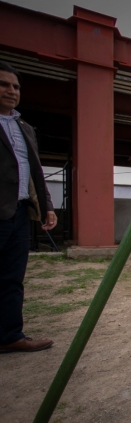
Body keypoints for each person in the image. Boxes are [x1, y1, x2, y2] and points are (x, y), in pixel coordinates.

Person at [0, 61, 56, 353]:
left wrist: (46, 205)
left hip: (20, 211)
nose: (11, 91)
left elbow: (35, 169)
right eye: (4, 85)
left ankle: (10, 336)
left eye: (16, 86)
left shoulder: (24, 128)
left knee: (12, 277)